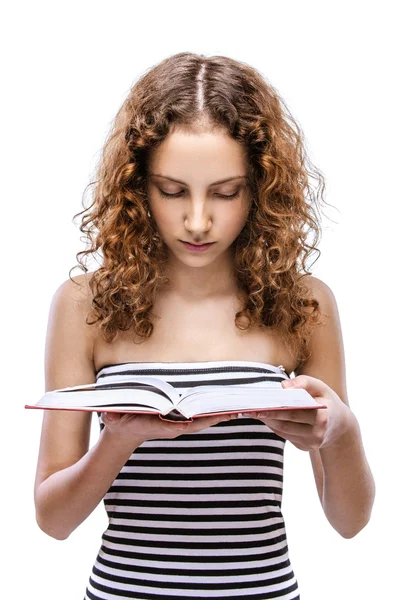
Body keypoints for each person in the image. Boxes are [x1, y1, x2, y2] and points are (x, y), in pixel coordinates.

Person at [33, 52, 375, 600]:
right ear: (137, 186)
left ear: (260, 186)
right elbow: (52, 520)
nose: (197, 220)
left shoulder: (304, 304)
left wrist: (342, 430)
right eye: (172, 191)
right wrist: (117, 441)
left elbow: (350, 521)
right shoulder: (85, 305)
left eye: (225, 191)